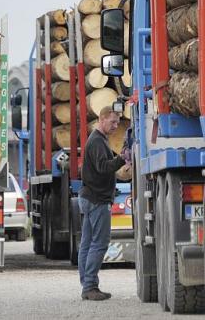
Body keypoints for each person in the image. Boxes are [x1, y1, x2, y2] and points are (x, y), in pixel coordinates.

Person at [78, 106, 130, 301]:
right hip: (97, 199)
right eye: (112, 122)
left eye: (117, 122)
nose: (116, 126)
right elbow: (102, 168)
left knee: (87, 244)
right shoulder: (98, 141)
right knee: (99, 243)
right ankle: (90, 286)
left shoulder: (97, 140)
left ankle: (87, 285)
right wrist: (121, 159)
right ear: (101, 119)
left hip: (89, 197)